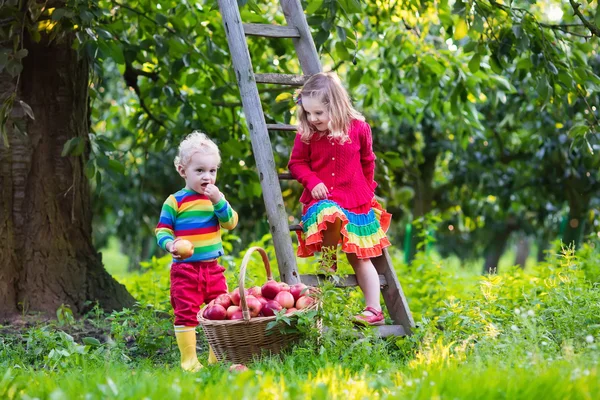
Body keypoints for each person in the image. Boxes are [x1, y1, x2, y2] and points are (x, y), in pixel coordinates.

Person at [288, 72, 392, 326]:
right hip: (323, 201)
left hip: (354, 200)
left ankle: (373, 310)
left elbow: (368, 161)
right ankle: (327, 257)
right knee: (329, 214)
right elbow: (297, 163)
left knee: (361, 257)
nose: (312, 119)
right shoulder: (307, 132)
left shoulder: (359, 128)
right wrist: (313, 182)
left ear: (334, 106)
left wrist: (366, 192)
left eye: (319, 114)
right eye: (308, 113)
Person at [155, 131, 238, 372]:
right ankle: (189, 361)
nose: (207, 176)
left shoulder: (216, 200)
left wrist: (219, 201)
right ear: (183, 171)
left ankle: (216, 358)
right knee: (186, 313)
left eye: (212, 171)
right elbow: (162, 230)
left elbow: (230, 222)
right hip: (185, 270)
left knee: (218, 311)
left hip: (213, 268)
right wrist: (170, 245)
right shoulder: (175, 201)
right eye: (199, 170)